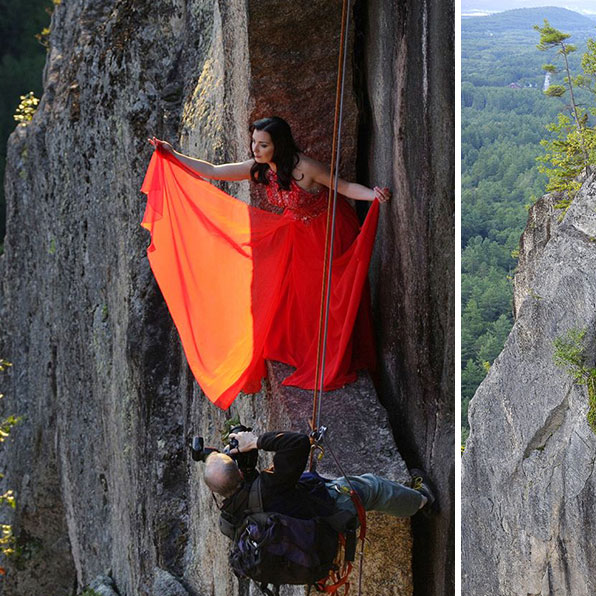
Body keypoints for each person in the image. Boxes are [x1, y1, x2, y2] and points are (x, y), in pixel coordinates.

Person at [141, 117, 391, 409]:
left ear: (278, 145)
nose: (256, 149)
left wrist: (373, 195)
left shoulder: (305, 168)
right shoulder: (259, 169)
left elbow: (344, 187)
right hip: (295, 233)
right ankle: (306, 349)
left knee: (326, 294)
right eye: (254, 143)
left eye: (263, 144)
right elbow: (213, 171)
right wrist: (172, 155)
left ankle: (334, 352)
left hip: (327, 231)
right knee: (295, 295)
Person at [204, 429, 434, 526]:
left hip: (301, 518)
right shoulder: (270, 486)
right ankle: (423, 501)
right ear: (241, 473)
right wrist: (254, 442)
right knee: (373, 487)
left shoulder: (232, 514)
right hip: (326, 512)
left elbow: (234, 478)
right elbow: (296, 443)